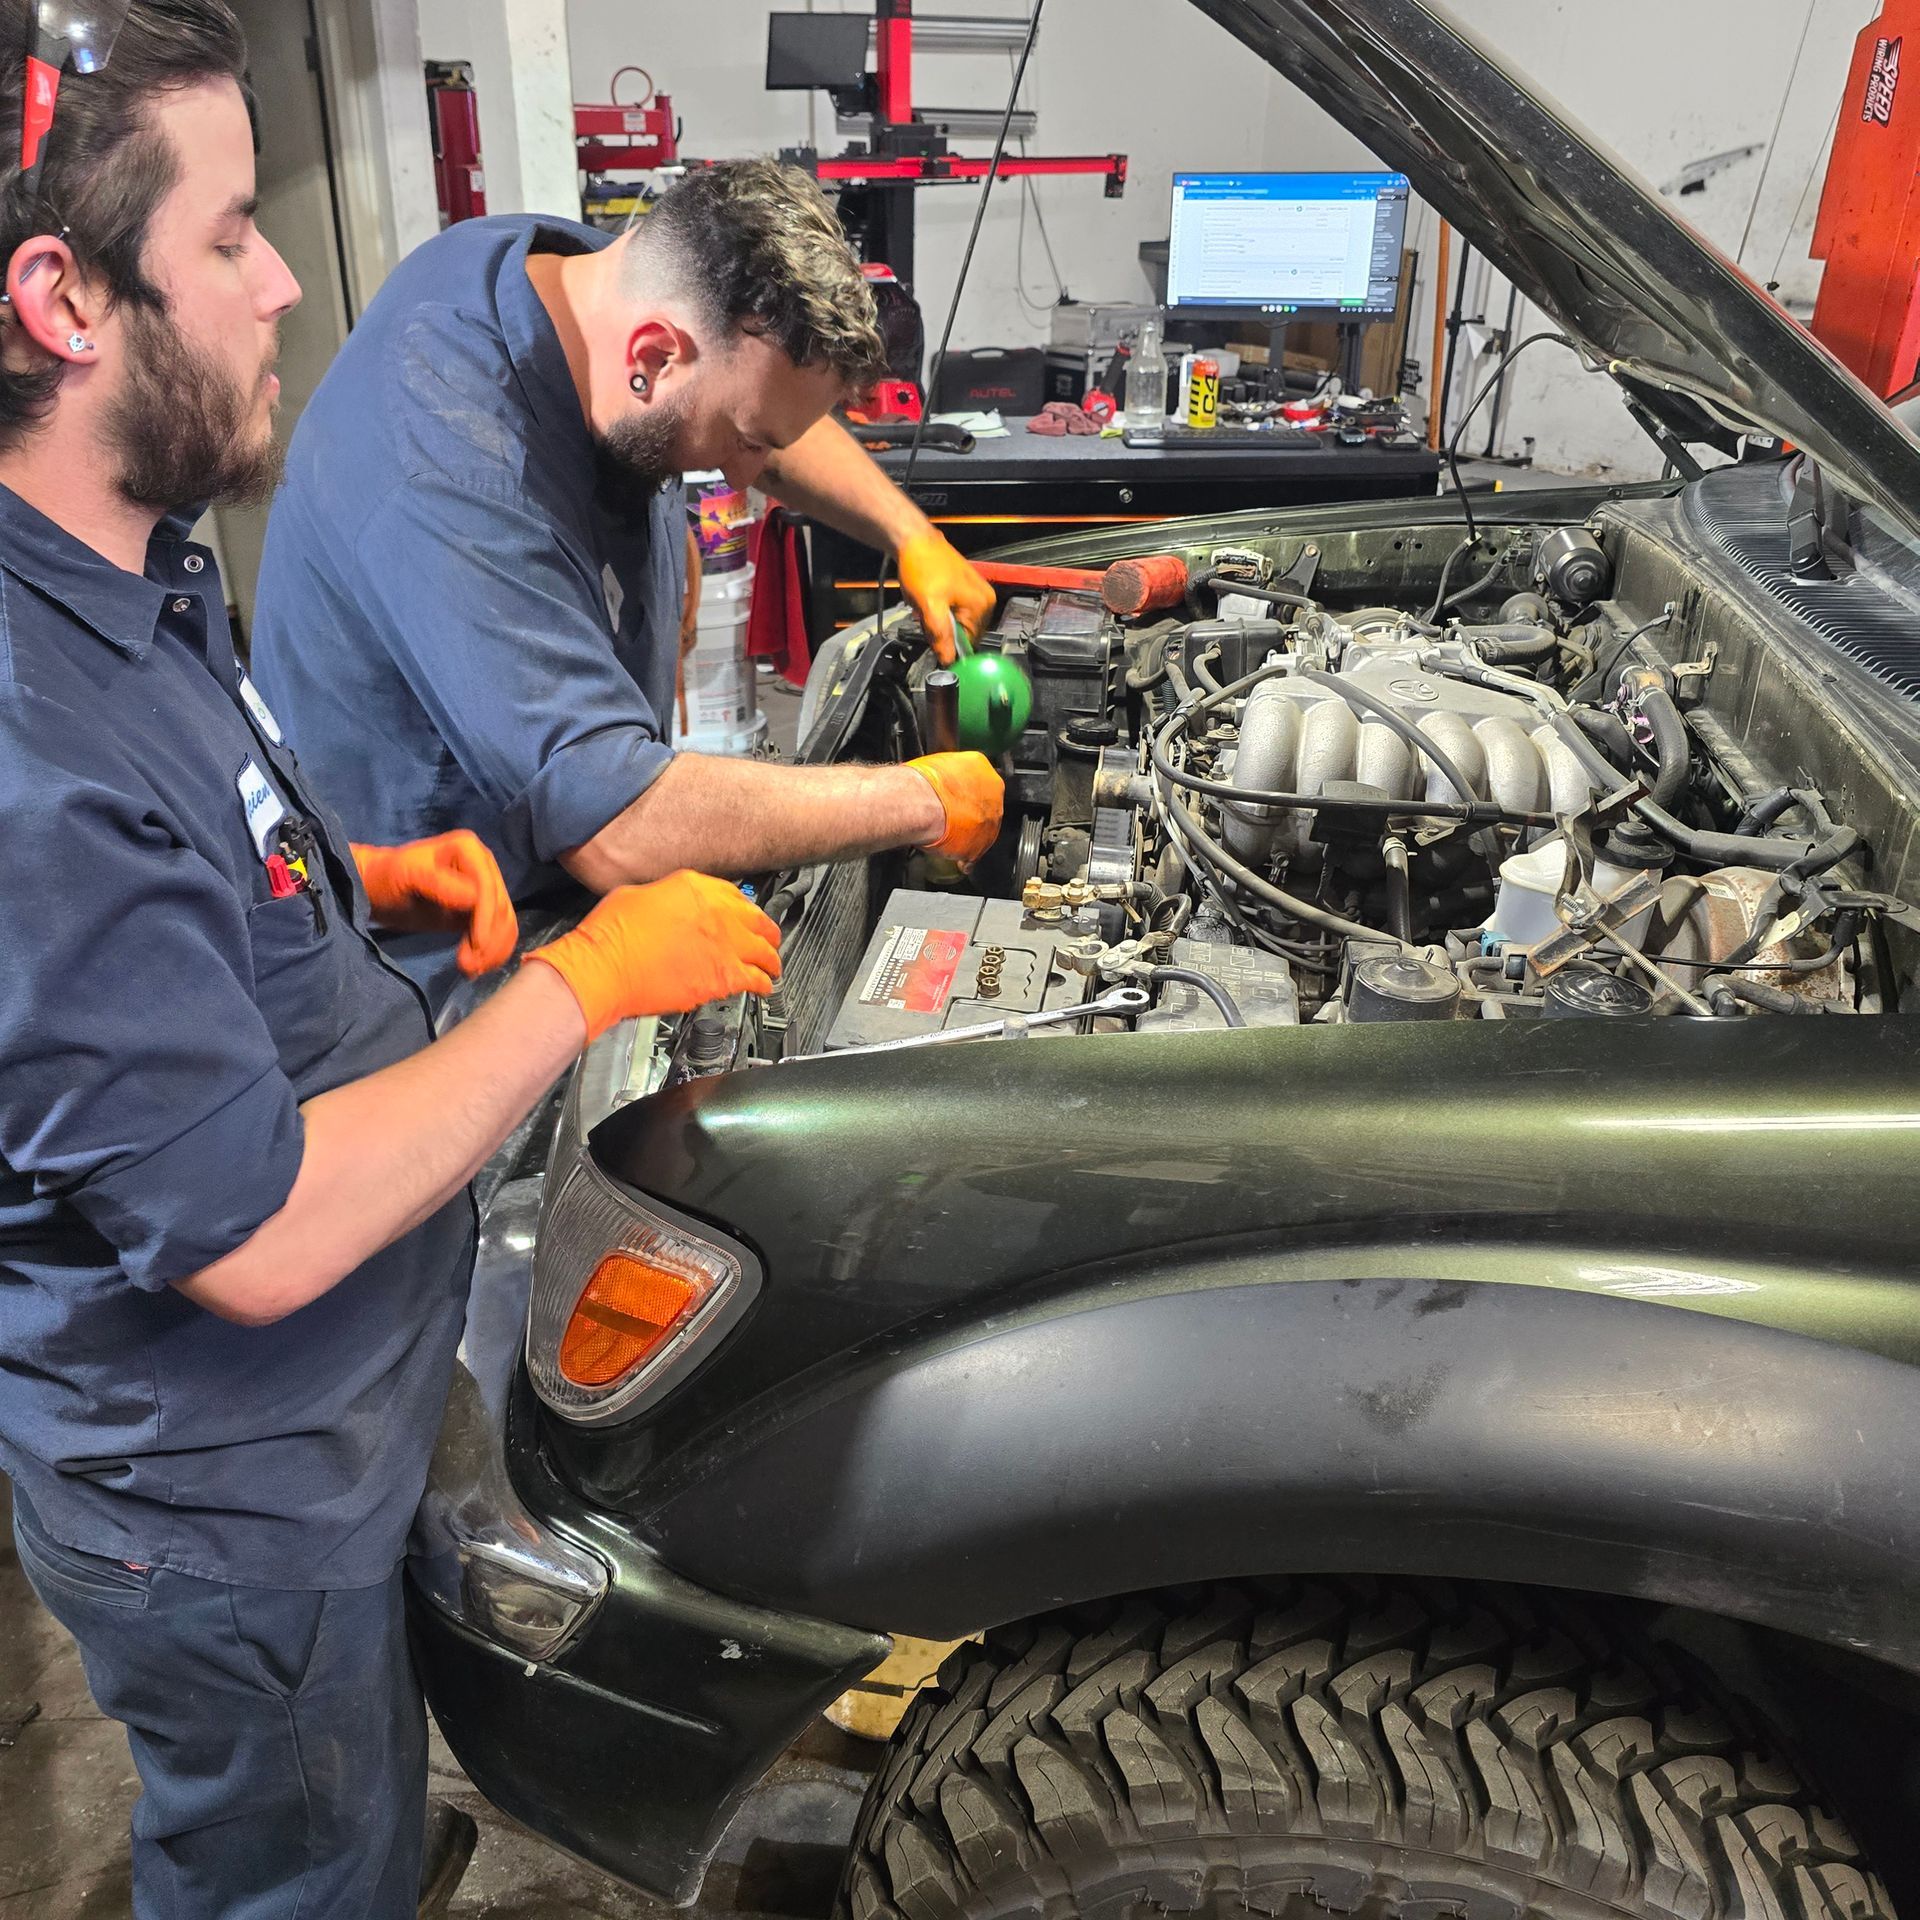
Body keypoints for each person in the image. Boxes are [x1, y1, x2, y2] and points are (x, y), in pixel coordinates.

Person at [0, 5, 780, 1915]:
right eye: (227, 233)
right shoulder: (28, 754)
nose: (279, 280)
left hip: (330, 1420)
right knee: (290, 1858)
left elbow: (158, 904)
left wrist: (348, 875)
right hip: (224, 1501)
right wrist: (581, 983)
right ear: (64, 301)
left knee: (340, 1796)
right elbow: (253, 1233)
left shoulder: (129, 560)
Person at [251, 160, 1006, 1008]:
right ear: (653, 356)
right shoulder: (452, 462)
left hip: (550, 866)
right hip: (433, 959)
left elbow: (759, 404)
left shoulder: (583, 279)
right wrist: (921, 800)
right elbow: (614, 822)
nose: (751, 475)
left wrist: (911, 534)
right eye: (745, 441)